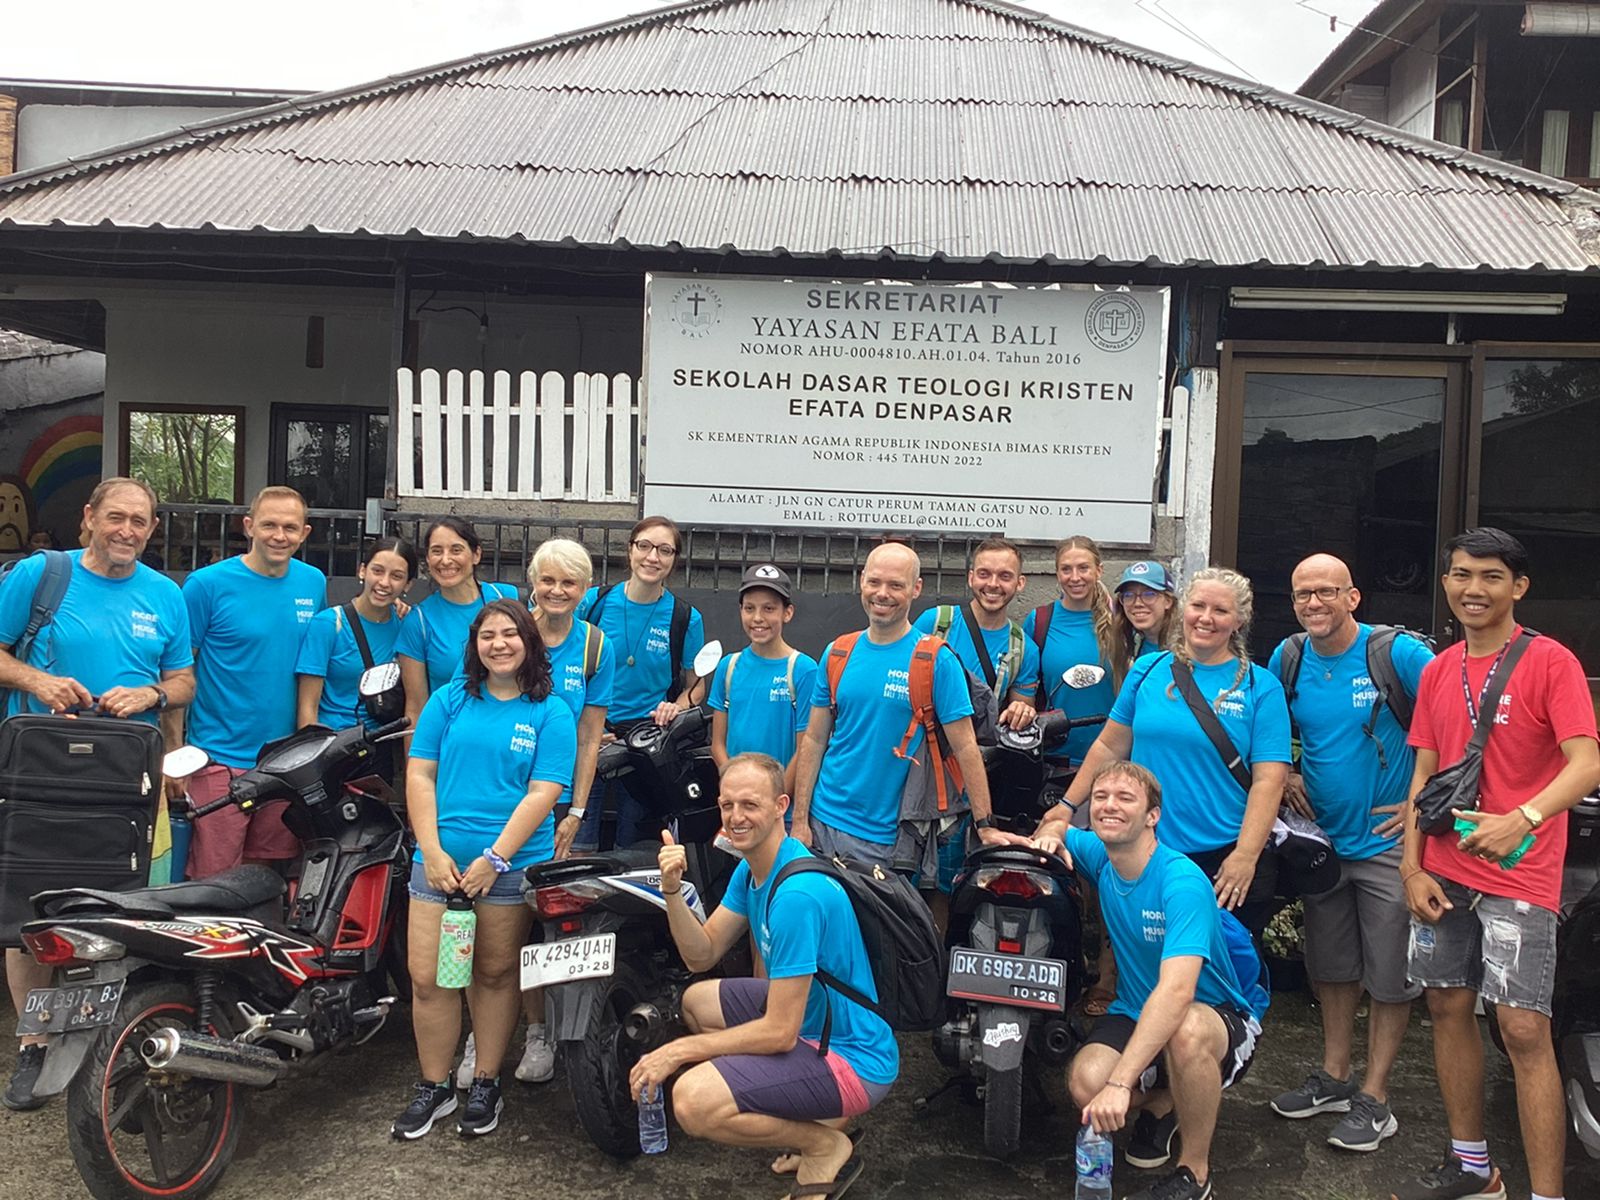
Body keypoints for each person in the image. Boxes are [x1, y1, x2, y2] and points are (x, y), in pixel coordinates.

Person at [1394, 528, 1599, 1200]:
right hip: (1444, 870)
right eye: (1460, 575)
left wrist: (1527, 817)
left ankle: (1546, 1193)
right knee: (1447, 1005)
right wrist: (1412, 867)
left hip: (1521, 874)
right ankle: (1472, 1166)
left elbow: (1587, 763)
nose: (1472, 590)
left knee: (1521, 1027)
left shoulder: (1551, 663)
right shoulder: (1437, 667)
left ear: (1518, 586)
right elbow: (1424, 771)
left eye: (1488, 577)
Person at [0, 476, 194, 1112]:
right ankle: (32, 1043)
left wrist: (152, 696)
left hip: (131, 782)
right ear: (89, 517)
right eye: (117, 517)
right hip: (43, 776)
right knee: (31, 917)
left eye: (140, 521)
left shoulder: (166, 595)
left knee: (121, 910)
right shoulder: (41, 574)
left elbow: (184, 681)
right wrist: (38, 679)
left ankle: (99, 1038)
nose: (128, 531)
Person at [628, 753, 896, 1198]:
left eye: (750, 805)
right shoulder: (754, 870)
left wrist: (680, 1051)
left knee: (692, 1101)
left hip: (855, 1059)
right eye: (727, 805)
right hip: (816, 1025)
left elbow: (779, 1033)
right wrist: (672, 890)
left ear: (781, 806)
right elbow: (702, 953)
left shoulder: (796, 895)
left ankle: (822, 1142)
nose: (736, 817)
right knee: (696, 1001)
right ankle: (805, 1117)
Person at [1265, 555, 1433, 1152]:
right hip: (1323, 845)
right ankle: (1334, 1079)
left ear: (1353, 597)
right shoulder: (1287, 659)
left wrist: (1424, 805)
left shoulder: (1397, 655)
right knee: (1331, 968)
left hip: (1389, 847)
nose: (1313, 603)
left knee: (1389, 977)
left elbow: (1457, 725)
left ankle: (1376, 1097)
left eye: (1325, 592)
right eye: (1302, 594)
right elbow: (1270, 730)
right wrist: (1285, 774)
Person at [1034, 761, 1263, 1200]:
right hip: (1135, 1011)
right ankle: (1165, 1100)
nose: (1108, 806)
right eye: (1100, 798)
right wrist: (1052, 833)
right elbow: (1056, 828)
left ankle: (1194, 1174)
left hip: (1215, 1017)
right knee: (1084, 1083)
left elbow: (1177, 992)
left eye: (1125, 798)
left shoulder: (1181, 882)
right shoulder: (1102, 856)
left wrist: (1122, 1083)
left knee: (1186, 1031)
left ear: (1152, 816)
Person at [392, 600, 577, 1141]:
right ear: (474, 645)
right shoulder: (450, 700)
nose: (498, 644)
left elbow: (544, 793)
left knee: (493, 974)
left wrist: (496, 858)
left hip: (507, 868)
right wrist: (430, 848)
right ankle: (434, 1085)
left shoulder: (552, 711)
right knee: (430, 980)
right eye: (487, 635)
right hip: (440, 866)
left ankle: (487, 1083)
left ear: (529, 642)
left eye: (510, 634)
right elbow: (421, 774)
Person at [1038, 567, 1291, 935]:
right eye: (1198, 606)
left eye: (1220, 611)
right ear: (1184, 609)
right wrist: (1065, 807)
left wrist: (1246, 856)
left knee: (1219, 971)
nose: (1206, 618)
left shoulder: (1261, 687)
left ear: (1238, 621)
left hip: (1222, 856)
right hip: (1147, 848)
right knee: (1144, 957)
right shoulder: (1148, 669)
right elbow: (1109, 745)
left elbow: (1270, 780)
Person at [458, 537, 614, 1086]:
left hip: (563, 806)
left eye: (569, 582)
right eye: (547, 580)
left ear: (585, 589)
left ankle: (542, 1031)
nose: (557, 591)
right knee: (490, 925)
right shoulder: (508, 635)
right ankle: (484, 1030)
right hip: (498, 801)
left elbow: (591, 737)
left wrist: (575, 809)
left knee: (548, 927)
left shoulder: (596, 646)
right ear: (532, 582)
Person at [791, 542, 1013, 898]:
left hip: (887, 841)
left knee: (878, 948)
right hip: (821, 827)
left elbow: (966, 747)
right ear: (861, 582)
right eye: (875, 582)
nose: (883, 594)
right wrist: (800, 821)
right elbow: (815, 741)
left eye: (896, 585)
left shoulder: (936, 661)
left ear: (916, 589)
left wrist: (985, 824)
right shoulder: (837, 652)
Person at [175, 485, 326, 880]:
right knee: (213, 877)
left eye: (290, 527)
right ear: (249, 527)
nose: (280, 535)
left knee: (265, 876)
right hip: (218, 759)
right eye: (269, 525)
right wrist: (175, 754)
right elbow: (177, 671)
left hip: (283, 761)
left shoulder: (313, 583)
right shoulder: (205, 585)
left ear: (305, 533)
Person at [572, 515, 706, 850]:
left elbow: (697, 686)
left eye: (664, 550)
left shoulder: (685, 618)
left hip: (644, 745)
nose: (652, 557)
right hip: (591, 737)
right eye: (644, 546)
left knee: (633, 848)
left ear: (674, 559)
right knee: (576, 841)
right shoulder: (593, 602)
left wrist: (676, 706)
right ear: (630, 550)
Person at [708, 563, 819, 796]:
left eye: (769, 609)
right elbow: (718, 744)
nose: (758, 618)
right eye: (750, 608)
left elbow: (804, 750)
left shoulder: (803, 669)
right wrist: (737, 790)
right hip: (737, 804)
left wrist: (774, 800)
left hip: (780, 810)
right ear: (741, 610)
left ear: (787, 612)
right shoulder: (728, 667)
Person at [911, 536, 1042, 730]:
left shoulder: (1024, 649)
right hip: (924, 747)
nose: (993, 584)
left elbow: (1019, 718)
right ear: (971, 578)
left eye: (1005, 576)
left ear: (1020, 583)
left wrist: (1021, 711)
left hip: (980, 752)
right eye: (984, 574)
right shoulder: (935, 623)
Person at [396, 517, 519, 715]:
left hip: (510, 731)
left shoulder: (507, 598)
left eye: (456, 550)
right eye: (437, 551)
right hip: (451, 736)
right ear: (427, 559)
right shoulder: (418, 622)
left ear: (476, 554)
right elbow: (416, 707)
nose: (445, 560)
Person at [295, 537, 417, 731]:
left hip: (385, 742)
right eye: (377, 571)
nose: (384, 582)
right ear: (362, 571)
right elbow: (307, 707)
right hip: (337, 745)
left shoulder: (408, 625)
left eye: (396, 576)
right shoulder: (329, 624)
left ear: (408, 585)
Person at [1022, 536, 1121, 768]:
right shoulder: (1039, 621)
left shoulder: (1122, 622)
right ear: (1057, 574)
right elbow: (1025, 689)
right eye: (1066, 569)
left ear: (1099, 571)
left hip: (1114, 759)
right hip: (1055, 760)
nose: (1075, 577)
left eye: (1083, 568)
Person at [1113, 560, 1178, 663]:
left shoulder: (1183, 649)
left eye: (1149, 594)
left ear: (1168, 601)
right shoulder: (1129, 644)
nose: (1138, 603)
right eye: (1129, 595)